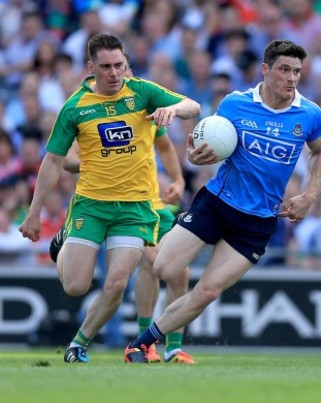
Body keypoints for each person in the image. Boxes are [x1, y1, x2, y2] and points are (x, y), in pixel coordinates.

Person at [124, 39, 321, 362]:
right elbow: (210, 146)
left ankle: (141, 343)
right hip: (217, 203)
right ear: (265, 70)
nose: (292, 78)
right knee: (164, 266)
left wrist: (310, 193)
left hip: (258, 221)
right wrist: (195, 156)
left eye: (297, 72)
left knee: (207, 291)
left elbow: (320, 151)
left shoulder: (309, 114)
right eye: (285, 70)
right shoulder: (234, 104)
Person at [19, 33, 201, 363]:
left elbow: (194, 106)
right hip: (91, 203)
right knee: (75, 286)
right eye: (106, 67)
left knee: (117, 283)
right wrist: (34, 212)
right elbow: (53, 162)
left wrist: (172, 109)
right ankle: (64, 239)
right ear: (91, 67)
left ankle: (78, 344)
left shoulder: (143, 92)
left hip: (134, 208)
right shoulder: (75, 107)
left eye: (119, 65)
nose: (115, 73)